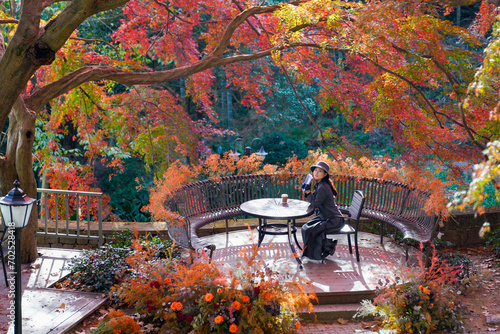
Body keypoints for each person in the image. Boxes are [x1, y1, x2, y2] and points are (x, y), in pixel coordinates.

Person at [301, 161, 344, 262]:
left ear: (325, 174)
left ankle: (327, 248)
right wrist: (309, 194)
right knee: (305, 227)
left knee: (311, 230)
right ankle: (314, 252)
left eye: (320, 171)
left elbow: (315, 204)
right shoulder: (320, 184)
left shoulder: (323, 187)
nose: (316, 173)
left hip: (333, 220)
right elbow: (316, 202)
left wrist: (307, 193)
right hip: (325, 217)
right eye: (315, 170)